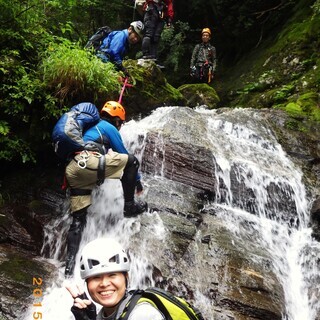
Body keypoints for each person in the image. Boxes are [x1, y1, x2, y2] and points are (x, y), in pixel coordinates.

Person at [64, 101, 147, 277]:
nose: (121, 125)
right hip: (91, 163)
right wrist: (137, 182)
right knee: (132, 161)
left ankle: (69, 269)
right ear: (116, 119)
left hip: (74, 169)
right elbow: (123, 152)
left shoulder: (90, 127)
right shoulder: (108, 127)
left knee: (78, 221)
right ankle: (130, 206)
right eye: (121, 122)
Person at [66, 238, 164, 320]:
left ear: (126, 277)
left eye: (112, 275)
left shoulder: (143, 313)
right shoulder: (104, 314)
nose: (104, 283)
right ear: (87, 283)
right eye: (96, 277)